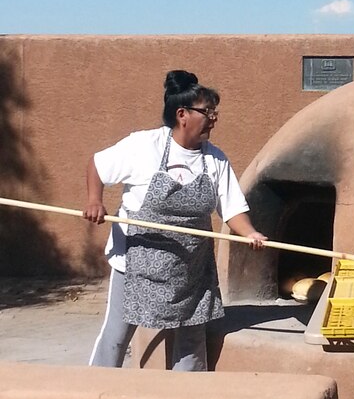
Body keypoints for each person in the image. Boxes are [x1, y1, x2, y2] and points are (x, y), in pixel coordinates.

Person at [83, 69, 266, 371]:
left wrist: (251, 233)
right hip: (136, 265)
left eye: (214, 112)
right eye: (207, 111)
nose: (214, 118)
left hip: (190, 269)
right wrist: (94, 200)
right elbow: (97, 165)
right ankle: (94, 392)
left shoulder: (215, 159)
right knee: (116, 336)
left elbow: (231, 209)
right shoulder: (143, 146)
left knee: (192, 341)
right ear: (182, 114)